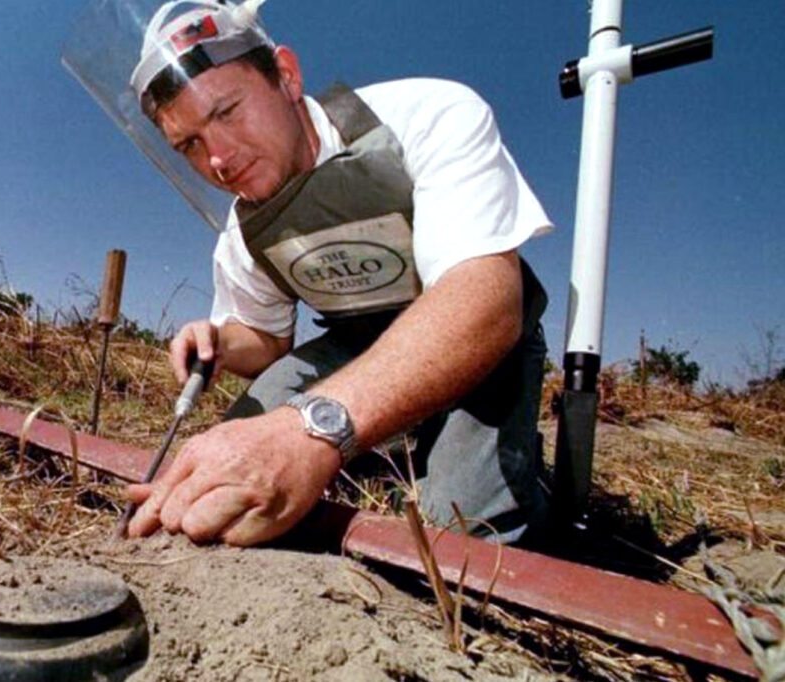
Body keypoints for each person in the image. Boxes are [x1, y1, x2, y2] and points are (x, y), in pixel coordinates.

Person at [122, 0, 553, 547]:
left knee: (461, 538)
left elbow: (484, 302)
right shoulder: (245, 226)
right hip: (351, 344)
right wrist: (220, 343)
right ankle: (393, 456)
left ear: (286, 74)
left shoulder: (425, 115)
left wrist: (307, 429)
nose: (220, 160)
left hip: (479, 342)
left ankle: (520, 479)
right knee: (228, 479)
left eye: (227, 112)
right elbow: (268, 341)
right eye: (190, 145)